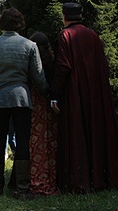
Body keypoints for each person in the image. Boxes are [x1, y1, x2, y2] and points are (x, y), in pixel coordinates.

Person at [0, 8, 48, 199]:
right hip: (22, 98)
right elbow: (38, 77)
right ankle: (24, 188)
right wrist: (49, 92)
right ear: (20, 23)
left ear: (1, 23)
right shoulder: (30, 45)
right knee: (23, 142)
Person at [50, 2, 118, 193]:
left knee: (77, 133)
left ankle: (79, 180)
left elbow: (63, 66)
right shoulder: (93, 36)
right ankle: (101, 178)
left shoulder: (65, 35)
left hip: (75, 94)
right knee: (95, 131)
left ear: (64, 17)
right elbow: (103, 66)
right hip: (96, 93)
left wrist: (54, 94)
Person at [29, 31, 59, 195]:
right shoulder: (53, 60)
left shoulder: (31, 61)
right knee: (51, 141)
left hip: (35, 104)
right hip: (51, 105)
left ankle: (37, 177)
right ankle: (53, 177)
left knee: (36, 140)